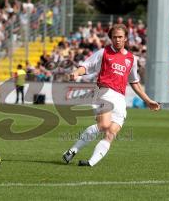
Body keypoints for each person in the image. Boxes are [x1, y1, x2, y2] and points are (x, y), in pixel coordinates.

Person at [62, 24, 160, 167]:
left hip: (120, 98)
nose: (117, 40)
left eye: (120, 37)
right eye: (114, 37)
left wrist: (147, 100)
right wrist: (76, 73)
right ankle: (73, 150)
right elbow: (86, 66)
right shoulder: (103, 53)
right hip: (104, 92)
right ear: (111, 38)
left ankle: (90, 163)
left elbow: (134, 82)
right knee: (104, 124)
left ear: (126, 38)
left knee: (111, 132)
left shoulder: (132, 59)